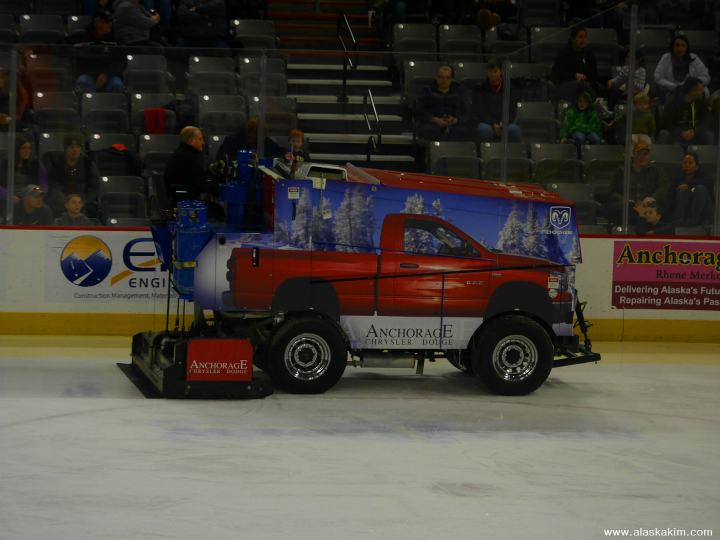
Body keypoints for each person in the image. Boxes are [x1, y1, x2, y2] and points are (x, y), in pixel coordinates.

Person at [601, 141, 670, 228]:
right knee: (606, 208)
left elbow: (664, 186)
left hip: (649, 207)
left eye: (645, 154)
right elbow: (611, 192)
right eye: (640, 154)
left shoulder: (656, 170)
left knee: (660, 209)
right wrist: (623, 199)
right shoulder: (622, 171)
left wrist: (653, 198)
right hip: (628, 207)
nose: (643, 157)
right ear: (633, 154)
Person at [46, 134, 100, 218]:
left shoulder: (88, 164)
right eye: (71, 147)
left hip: (83, 201)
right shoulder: (56, 164)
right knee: (55, 209)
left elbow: (94, 187)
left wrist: (81, 202)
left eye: (77, 147)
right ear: (66, 149)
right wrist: (66, 202)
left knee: (91, 210)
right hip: (62, 201)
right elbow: (53, 186)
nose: (75, 150)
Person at [472, 57, 522, 143]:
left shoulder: (510, 88)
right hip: (486, 123)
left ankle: (513, 152)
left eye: (495, 71)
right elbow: (479, 111)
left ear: (501, 71)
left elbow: (512, 110)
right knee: (484, 130)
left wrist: (504, 122)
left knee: (515, 130)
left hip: (504, 123)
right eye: (490, 71)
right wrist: (492, 124)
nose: (492, 74)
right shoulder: (480, 88)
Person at [416, 66, 472, 142]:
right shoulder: (427, 90)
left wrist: (456, 120)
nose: (444, 80)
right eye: (441, 77)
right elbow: (419, 110)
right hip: (433, 123)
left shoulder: (459, 91)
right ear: (437, 77)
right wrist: (434, 119)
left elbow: (468, 112)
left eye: (447, 77)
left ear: (451, 78)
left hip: (454, 124)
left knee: (461, 131)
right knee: (429, 130)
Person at [164, 126, 219, 201]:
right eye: (200, 139)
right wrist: (222, 189)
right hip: (184, 202)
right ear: (191, 141)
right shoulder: (187, 158)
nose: (203, 142)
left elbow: (199, 176)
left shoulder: (181, 154)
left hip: (179, 199)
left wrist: (213, 172)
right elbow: (203, 181)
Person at [657, 77, 713, 146]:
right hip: (677, 135)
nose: (703, 91)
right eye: (701, 90)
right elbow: (666, 123)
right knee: (663, 134)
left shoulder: (702, 100)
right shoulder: (673, 101)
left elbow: (707, 120)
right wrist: (681, 133)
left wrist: (695, 131)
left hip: (696, 134)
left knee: (709, 135)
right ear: (693, 92)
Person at [654, 35, 711, 102]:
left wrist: (693, 85)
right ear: (673, 46)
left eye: (683, 46)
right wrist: (674, 86)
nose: (679, 48)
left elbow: (706, 77)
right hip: (674, 91)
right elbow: (657, 77)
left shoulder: (693, 58)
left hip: (693, 91)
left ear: (686, 47)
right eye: (677, 45)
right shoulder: (666, 58)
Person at [551, 26, 600, 102]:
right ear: (573, 39)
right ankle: (597, 102)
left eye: (585, 37)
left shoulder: (589, 54)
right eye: (580, 37)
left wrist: (589, 83)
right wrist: (575, 75)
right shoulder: (563, 53)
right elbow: (559, 74)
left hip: (585, 86)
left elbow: (594, 74)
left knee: (584, 84)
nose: (583, 40)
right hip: (565, 84)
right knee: (581, 83)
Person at [671, 153, 715, 229]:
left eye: (690, 163)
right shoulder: (677, 178)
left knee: (700, 188)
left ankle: (691, 220)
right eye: (685, 163)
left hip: (705, 213)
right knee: (682, 189)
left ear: (697, 166)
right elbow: (671, 198)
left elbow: (707, 181)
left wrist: (688, 183)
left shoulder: (704, 175)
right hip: (686, 214)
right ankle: (678, 221)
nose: (687, 165)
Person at [0, 136, 48, 205]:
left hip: (30, 199)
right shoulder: (4, 163)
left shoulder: (36, 164)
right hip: (8, 201)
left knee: (45, 209)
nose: (27, 151)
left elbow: (43, 184)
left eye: (29, 148)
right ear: (16, 150)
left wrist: (35, 193)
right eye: (24, 148)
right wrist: (8, 197)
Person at [216, 118, 287, 162]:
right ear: (247, 134)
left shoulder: (265, 140)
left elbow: (279, 151)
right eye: (254, 139)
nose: (256, 142)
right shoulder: (232, 141)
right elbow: (221, 158)